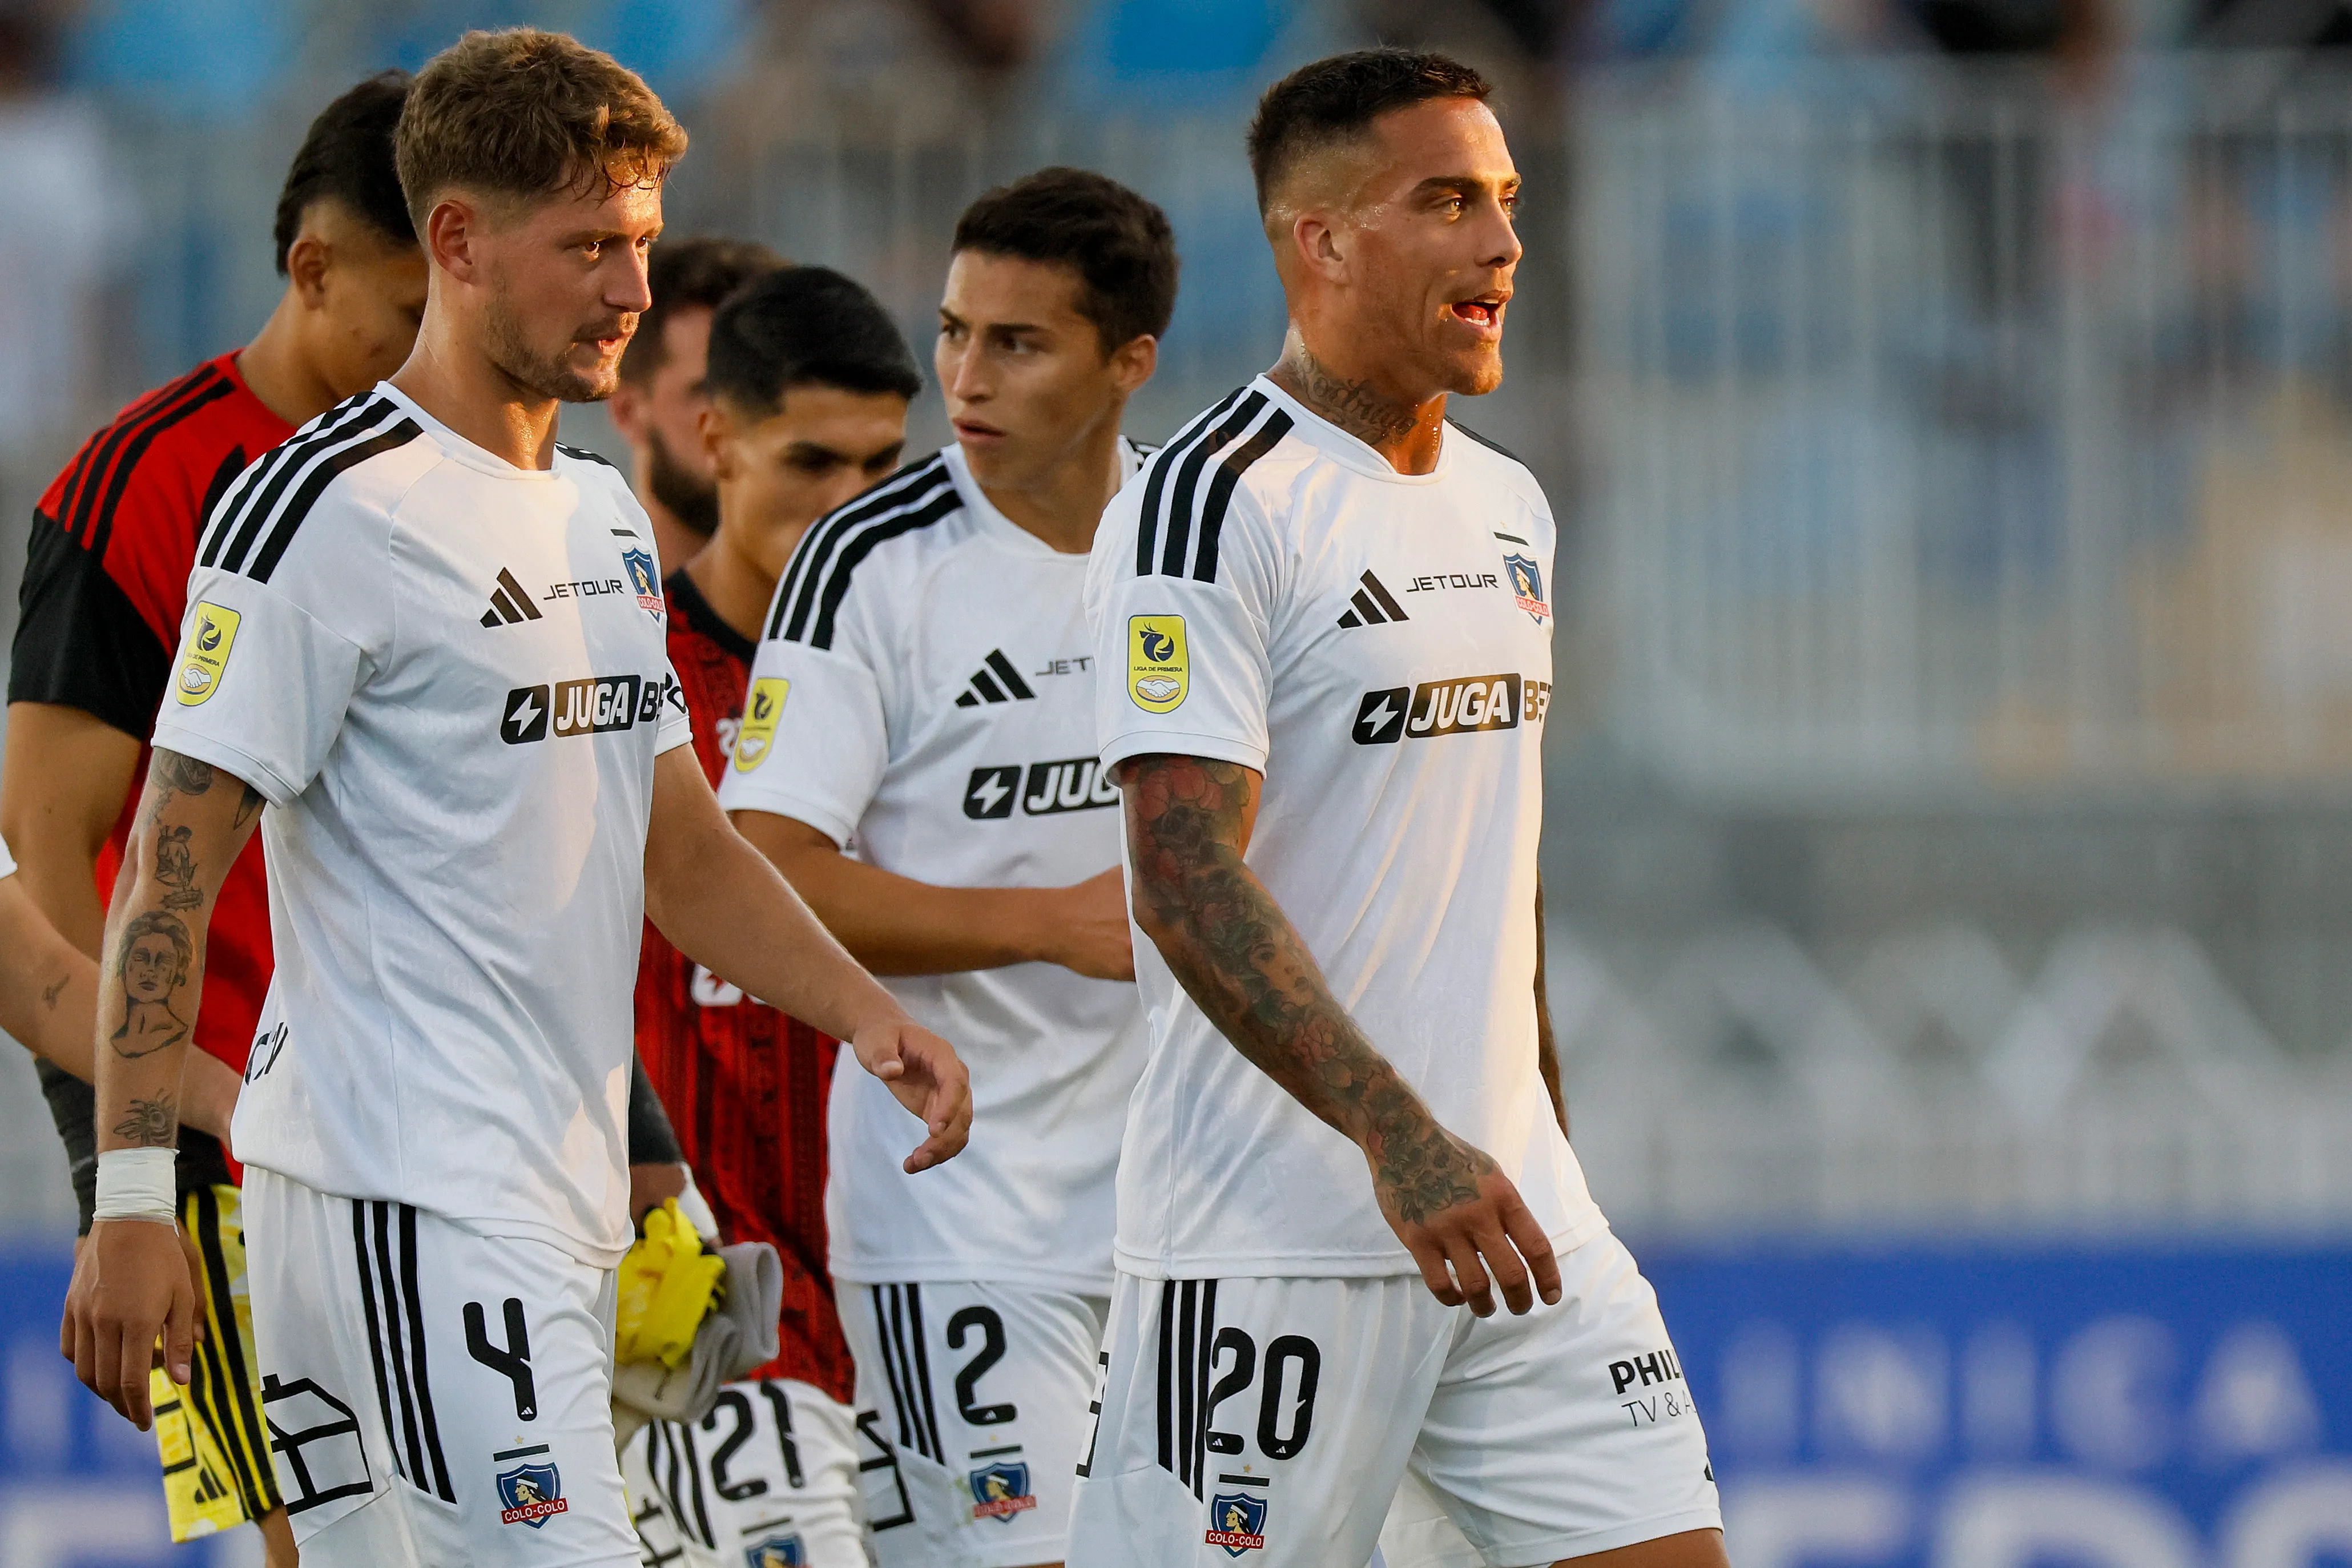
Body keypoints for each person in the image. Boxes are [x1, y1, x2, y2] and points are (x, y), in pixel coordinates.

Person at [59, 29, 970, 1568]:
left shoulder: (601, 512)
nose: (633, 289)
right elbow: (166, 865)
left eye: (643, 243)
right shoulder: (322, 505)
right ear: (459, 243)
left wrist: (861, 1009)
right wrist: (134, 1195)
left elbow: (679, 845)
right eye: (593, 248)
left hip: (535, 1202)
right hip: (393, 1198)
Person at [1069, 50, 1726, 1568]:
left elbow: (1497, 848)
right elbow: (1181, 877)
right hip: (1274, 1242)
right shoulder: (1212, 503)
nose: (1501, 242)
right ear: (1322, 240)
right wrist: (1396, 1130)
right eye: (1447, 203)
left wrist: (1528, 1120)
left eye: (1506, 201)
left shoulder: (1511, 505)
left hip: (1507, 1217)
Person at [718, 167, 1173, 1568]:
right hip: (959, 1207)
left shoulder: (1208, 540)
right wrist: (1042, 923)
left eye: (1016, 343)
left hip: (1186, 1201)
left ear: (1128, 363)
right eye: (954, 331)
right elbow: (768, 865)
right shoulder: (871, 559)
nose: (964, 377)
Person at [2, 70, 423, 1563]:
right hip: (221, 1133)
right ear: (313, 268)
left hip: (449, 1130)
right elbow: (41, 869)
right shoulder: (141, 481)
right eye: (408, 303)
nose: (435, 350)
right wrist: (120, 1179)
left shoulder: (484, 492)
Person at [623, 265, 922, 1568]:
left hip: (934, 1298)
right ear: (713, 441)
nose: (850, 505)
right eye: (812, 460)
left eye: (881, 466)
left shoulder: (945, 676)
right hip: (714, 1309)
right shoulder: (622, 672)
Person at [609, 235, 784, 577]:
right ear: (627, 413)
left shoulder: (855, 616)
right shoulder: (576, 613)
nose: (754, 415)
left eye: (770, 389)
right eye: (712, 390)